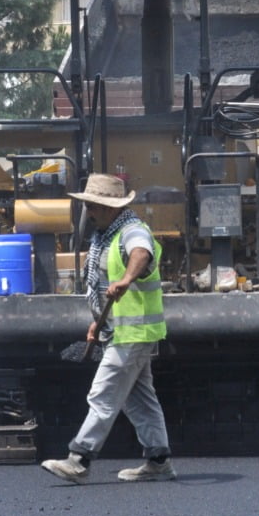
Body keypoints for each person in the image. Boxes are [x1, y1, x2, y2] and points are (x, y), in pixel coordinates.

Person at [41, 173, 175, 485]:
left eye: (94, 205)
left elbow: (142, 252)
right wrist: (97, 321)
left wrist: (127, 280)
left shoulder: (131, 230)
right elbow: (103, 285)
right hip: (123, 331)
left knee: (103, 394)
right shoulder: (106, 235)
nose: (89, 210)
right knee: (139, 398)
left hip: (133, 333)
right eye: (87, 204)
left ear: (111, 207)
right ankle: (159, 461)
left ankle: (79, 460)